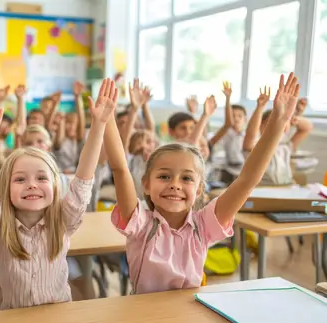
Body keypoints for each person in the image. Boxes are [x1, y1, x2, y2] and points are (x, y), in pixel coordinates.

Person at [105, 73, 300, 294]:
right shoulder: (140, 224)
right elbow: (120, 170)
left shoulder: (203, 225)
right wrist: (107, 119)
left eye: (186, 178)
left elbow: (247, 180)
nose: (175, 184)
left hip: (190, 318)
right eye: (164, 176)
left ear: (199, 190)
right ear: (146, 185)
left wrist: (279, 121)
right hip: (146, 320)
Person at [0, 78, 112, 310]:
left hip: (58, 322)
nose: (32, 185)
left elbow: (84, 178)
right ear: (5, 188)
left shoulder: (62, 221)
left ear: (56, 186)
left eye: (41, 178)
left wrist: (98, 126)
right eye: (20, 179)